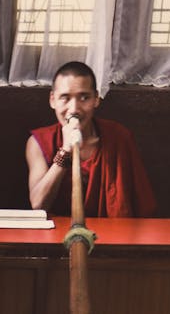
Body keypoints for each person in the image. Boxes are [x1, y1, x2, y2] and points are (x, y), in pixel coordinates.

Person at [26, 61, 156, 218]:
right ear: (52, 100)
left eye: (84, 98)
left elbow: (141, 206)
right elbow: (38, 204)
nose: (74, 109)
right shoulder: (38, 142)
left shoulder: (119, 137)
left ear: (96, 99)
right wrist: (65, 150)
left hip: (111, 235)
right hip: (58, 235)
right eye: (65, 98)